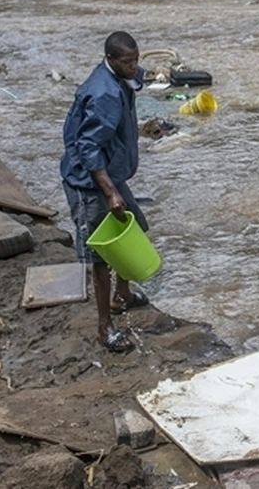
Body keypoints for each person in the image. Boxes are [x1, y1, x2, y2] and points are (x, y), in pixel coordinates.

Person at [61, 30, 151, 353]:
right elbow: (87, 148)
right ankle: (104, 328)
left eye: (136, 60)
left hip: (111, 173)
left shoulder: (121, 80)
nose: (133, 67)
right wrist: (110, 193)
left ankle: (122, 295)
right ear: (111, 60)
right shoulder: (104, 95)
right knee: (102, 256)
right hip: (89, 181)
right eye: (127, 62)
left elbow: (138, 79)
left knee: (135, 227)